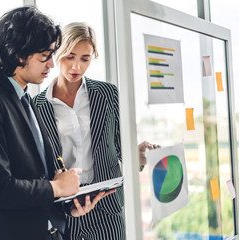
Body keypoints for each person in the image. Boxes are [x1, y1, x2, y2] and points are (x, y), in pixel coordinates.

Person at [0, 8, 113, 240]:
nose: (52, 64)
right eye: (45, 55)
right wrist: (57, 188)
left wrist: (66, 205)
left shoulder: (25, 100)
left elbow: (35, 179)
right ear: (20, 54)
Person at [33, 22, 160, 239]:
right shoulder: (37, 106)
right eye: (70, 56)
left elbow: (121, 149)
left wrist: (136, 155)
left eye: (85, 58)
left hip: (107, 209)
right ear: (57, 53)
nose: (77, 67)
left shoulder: (108, 94)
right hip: (65, 211)